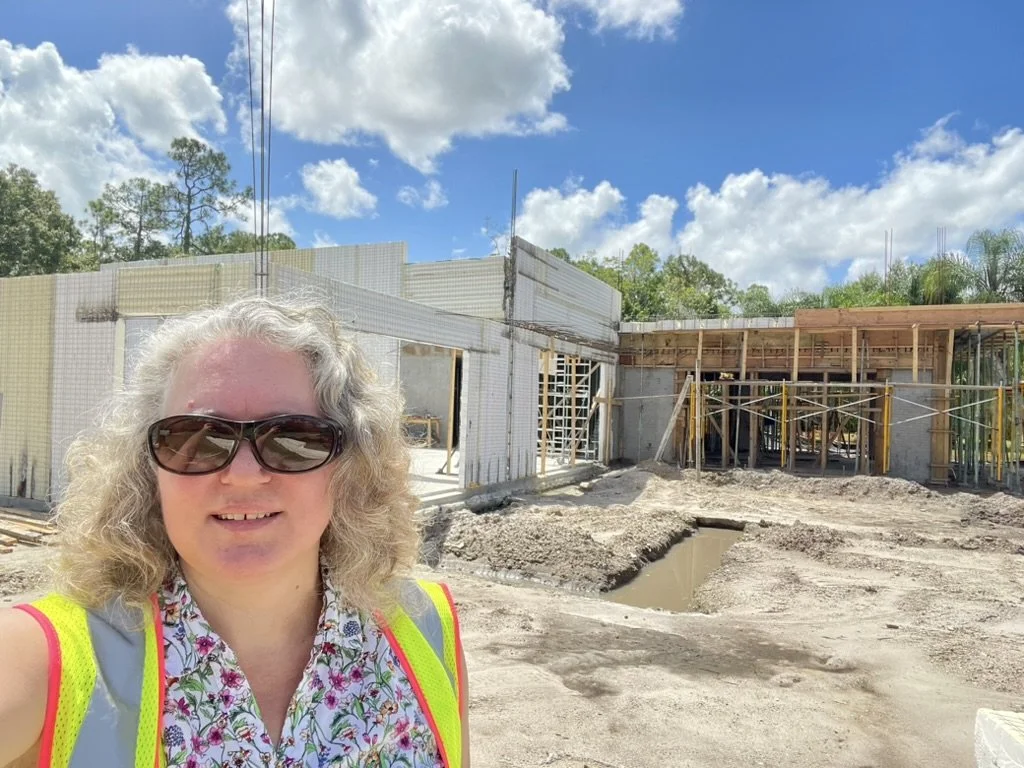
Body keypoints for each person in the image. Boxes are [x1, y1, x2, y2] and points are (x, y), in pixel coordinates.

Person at [0, 295, 469, 768]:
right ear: (147, 471)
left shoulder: (427, 625)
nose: (243, 476)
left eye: (294, 438)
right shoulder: (45, 660)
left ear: (350, 466)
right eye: (196, 438)